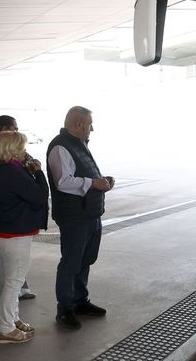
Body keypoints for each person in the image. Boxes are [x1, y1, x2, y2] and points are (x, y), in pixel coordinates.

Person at [47, 106, 114, 330]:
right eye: (89, 124)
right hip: (74, 217)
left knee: (85, 260)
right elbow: (63, 182)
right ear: (78, 124)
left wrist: (101, 181)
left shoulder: (79, 145)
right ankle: (65, 308)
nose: (92, 128)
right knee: (71, 262)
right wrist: (93, 183)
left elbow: (82, 176)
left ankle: (80, 301)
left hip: (90, 214)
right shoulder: (60, 147)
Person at [0, 131, 48, 343]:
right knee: (14, 282)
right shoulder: (12, 172)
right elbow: (39, 196)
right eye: (22, 147)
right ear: (12, 150)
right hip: (14, 234)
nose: (25, 151)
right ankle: (6, 328)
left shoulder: (6, 169)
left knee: (11, 280)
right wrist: (39, 172)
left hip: (6, 232)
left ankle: (13, 318)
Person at [0, 115, 35, 305]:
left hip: (4, 210)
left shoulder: (3, 152)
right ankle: (0, 299)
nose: (17, 131)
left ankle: (16, 293)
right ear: (4, 129)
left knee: (11, 263)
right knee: (0, 260)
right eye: (15, 128)